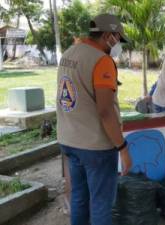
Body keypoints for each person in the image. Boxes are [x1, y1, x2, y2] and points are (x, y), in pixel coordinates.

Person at [56, 14, 132, 225]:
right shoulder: (102, 61)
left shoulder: (69, 53)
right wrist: (123, 148)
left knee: (80, 197)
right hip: (95, 146)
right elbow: (105, 111)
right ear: (108, 35)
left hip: (69, 140)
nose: (118, 45)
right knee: (101, 203)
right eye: (118, 38)